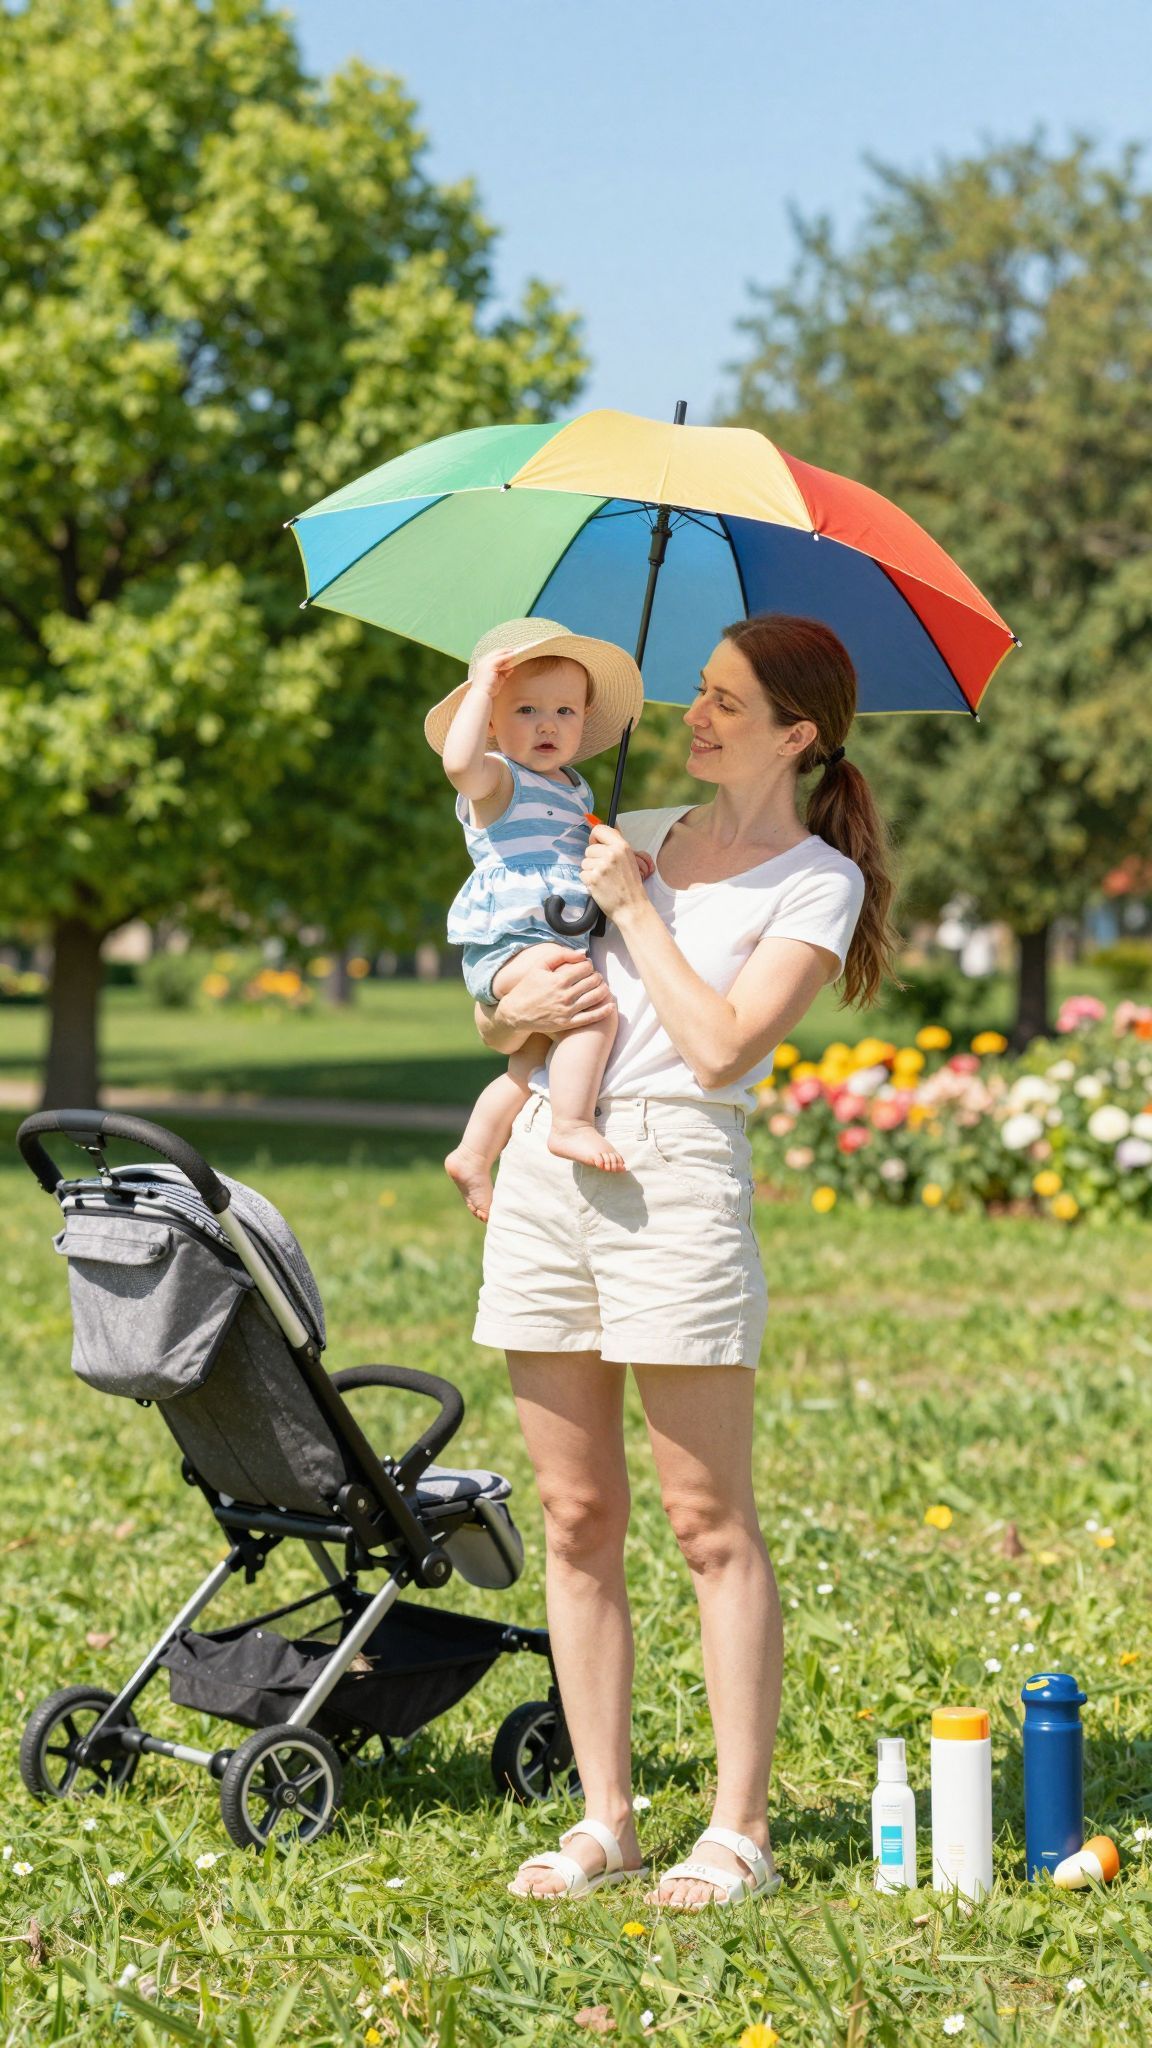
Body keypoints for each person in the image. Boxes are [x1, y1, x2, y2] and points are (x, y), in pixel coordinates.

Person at [469, 613, 901, 1909]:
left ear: (798, 732)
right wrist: (506, 1012)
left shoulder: (815, 881)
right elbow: (517, 994)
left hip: (680, 1174)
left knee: (708, 1523)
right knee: (577, 1515)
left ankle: (739, 1828)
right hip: (555, 1154)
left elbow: (719, 1045)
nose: (694, 718)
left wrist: (632, 908)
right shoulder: (631, 825)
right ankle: (606, 1818)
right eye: (697, 696)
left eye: (724, 702)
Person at [424, 618, 652, 1221]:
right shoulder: (499, 779)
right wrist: (478, 691)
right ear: (495, 724)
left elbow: (581, 851)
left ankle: (473, 1154)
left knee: (528, 1066)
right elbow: (457, 765)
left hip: (544, 934)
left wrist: (621, 854)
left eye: (565, 711)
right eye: (525, 709)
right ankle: (571, 1124)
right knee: (593, 1011)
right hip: (514, 938)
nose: (548, 724)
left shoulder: (573, 790)